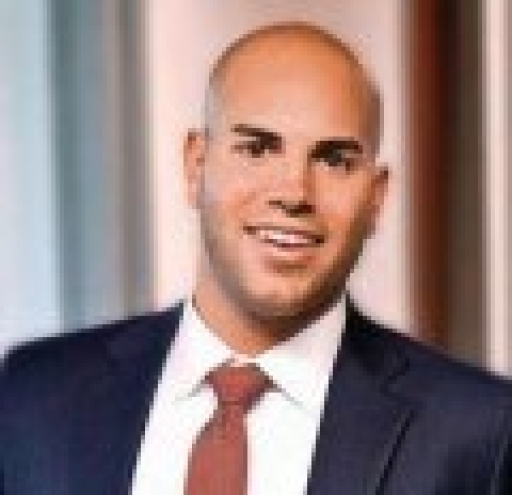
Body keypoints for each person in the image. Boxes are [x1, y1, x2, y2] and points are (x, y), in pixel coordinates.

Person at [0, 22, 511, 495]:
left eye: (334, 160)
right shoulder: (35, 395)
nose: (293, 192)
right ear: (196, 166)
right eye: (258, 148)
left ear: (375, 198)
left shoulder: (480, 432)